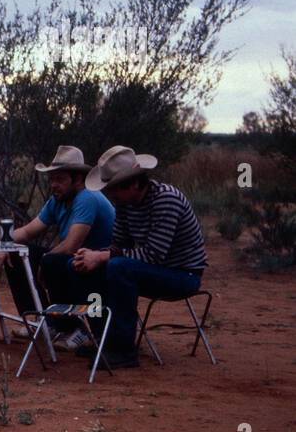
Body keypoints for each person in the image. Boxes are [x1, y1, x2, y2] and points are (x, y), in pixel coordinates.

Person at [70, 145, 209, 370]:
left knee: (118, 267)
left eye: (114, 189)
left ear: (134, 183)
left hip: (183, 274)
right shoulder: (125, 203)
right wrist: (91, 256)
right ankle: (104, 338)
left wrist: (102, 256)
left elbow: (153, 255)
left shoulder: (166, 199)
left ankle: (123, 350)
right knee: (91, 265)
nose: (110, 195)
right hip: (154, 269)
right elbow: (118, 246)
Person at [5, 146, 116, 347]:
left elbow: (70, 246)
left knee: (53, 262)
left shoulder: (87, 197)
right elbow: (29, 231)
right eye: (52, 179)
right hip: (77, 261)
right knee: (16, 254)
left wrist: (44, 261)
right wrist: (1, 243)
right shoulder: (58, 200)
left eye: (60, 179)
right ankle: (44, 321)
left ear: (78, 180)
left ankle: (74, 328)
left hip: (100, 262)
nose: (54, 185)